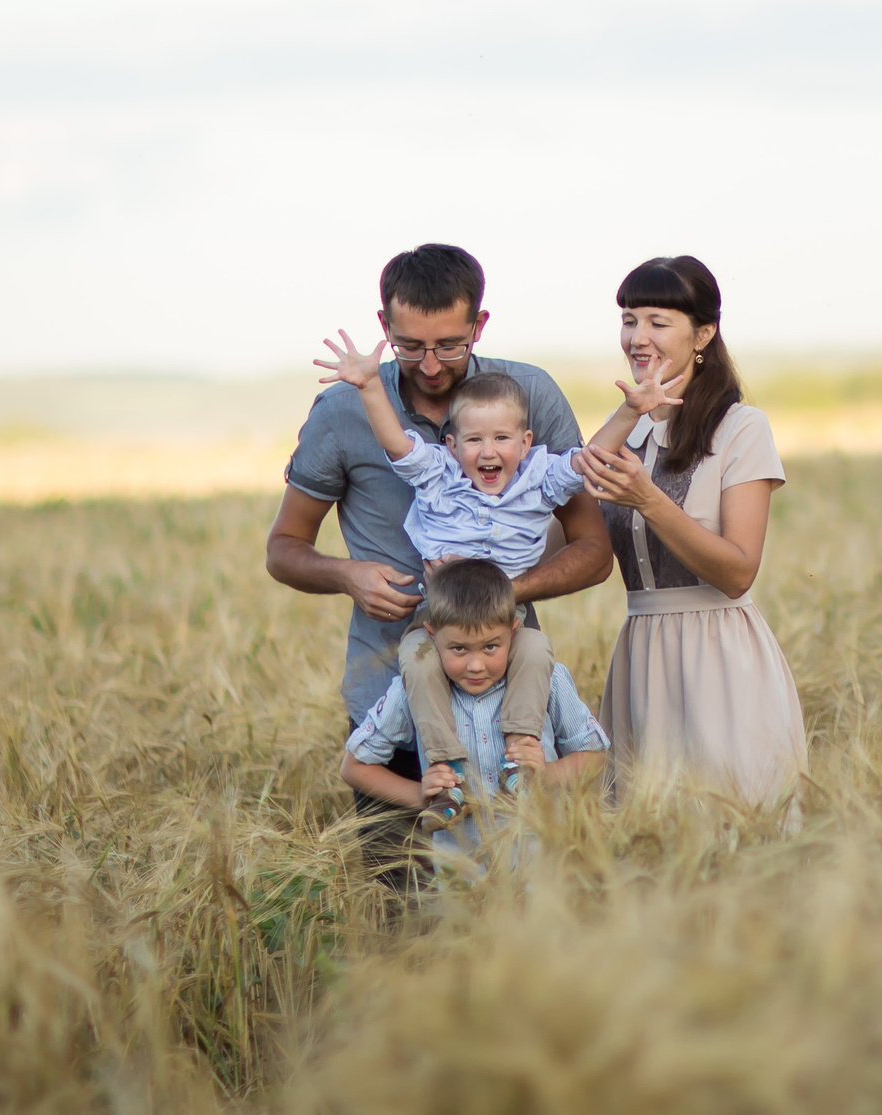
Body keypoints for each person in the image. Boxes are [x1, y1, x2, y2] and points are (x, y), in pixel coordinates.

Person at [265, 244, 615, 784]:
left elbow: (593, 551)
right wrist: (347, 575)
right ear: (384, 325)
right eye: (409, 346)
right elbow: (283, 549)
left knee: (515, 866)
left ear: (480, 324)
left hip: (508, 694)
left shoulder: (531, 395)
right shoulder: (341, 410)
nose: (430, 365)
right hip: (386, 690)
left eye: (450, 346)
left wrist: (486, 597)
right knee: (394, 868)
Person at [312, 329, 681, 826]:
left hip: (509, 613)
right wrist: (369, 388)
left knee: (535, 652)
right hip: (437, 614)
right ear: (451, 444)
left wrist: (632, 410)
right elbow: (397, 443)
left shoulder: (539, 478)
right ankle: (443, 773)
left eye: (503, 439)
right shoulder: (438, 476)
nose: (489, 452)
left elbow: (592, 458)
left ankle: (520, 756)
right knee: (417, 665)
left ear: (526, 443)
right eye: (474, 440)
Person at [576, 255, 807, 806]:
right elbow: (567, 532)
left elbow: (737, 572)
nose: (637, 337)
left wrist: (648, 500)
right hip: (641, 655)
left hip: (721, 657)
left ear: (703, 332)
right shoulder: (624, 432)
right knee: (645, 846)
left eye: (658, 321)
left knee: (732, 831)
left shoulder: (740, 428)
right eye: (629, 320)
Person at [339, 560, 609, 857]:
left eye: (491, 647)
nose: (476, 665)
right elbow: (354, 767)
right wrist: (420, 794)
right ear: (431, 634)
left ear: (514, 630)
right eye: (459, 649)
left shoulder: (549, 680)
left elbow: (595, 755)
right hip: (461, 879)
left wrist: (546, 773)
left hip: (541, 873)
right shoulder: (413, 690)